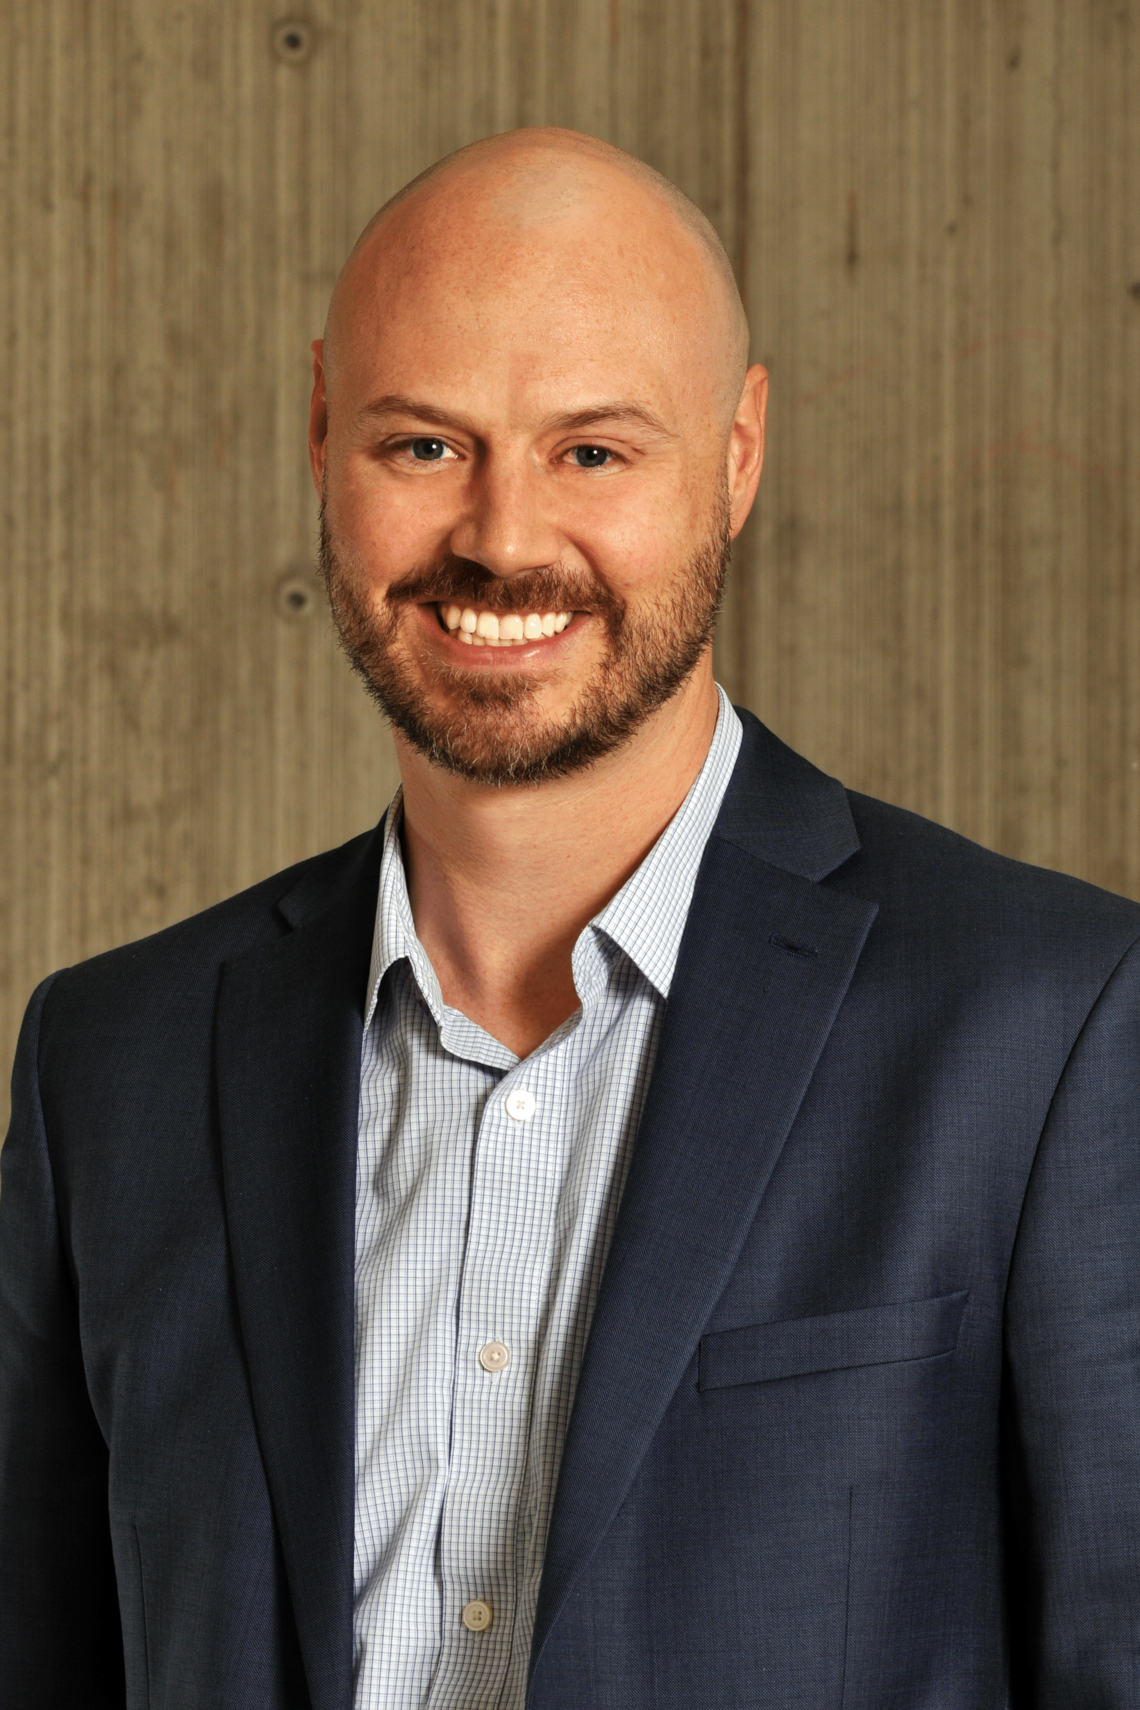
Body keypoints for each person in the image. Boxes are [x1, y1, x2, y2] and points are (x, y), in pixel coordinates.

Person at [2, 126, 1139, 1710]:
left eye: (593, 452)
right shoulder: (106, 1064)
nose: (505, 538)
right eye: (423, 445)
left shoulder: (1050, 1026)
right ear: (322, 424)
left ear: (739, 456)